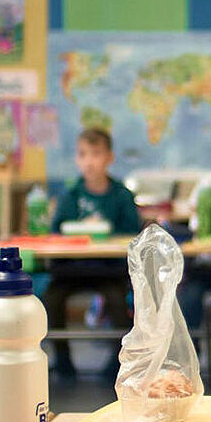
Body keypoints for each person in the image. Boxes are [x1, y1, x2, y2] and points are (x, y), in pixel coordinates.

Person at [42, 126, 142, 379]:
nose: (89, 161)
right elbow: (55, 233)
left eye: (96, 154)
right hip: (72, 269)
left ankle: (118, 361)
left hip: (108, 270)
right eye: (83, 154)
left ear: (109, 157)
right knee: (51, 299)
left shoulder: (121, 195)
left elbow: (132, 233)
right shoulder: (71, 195)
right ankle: (63, 359)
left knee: (118, 301)